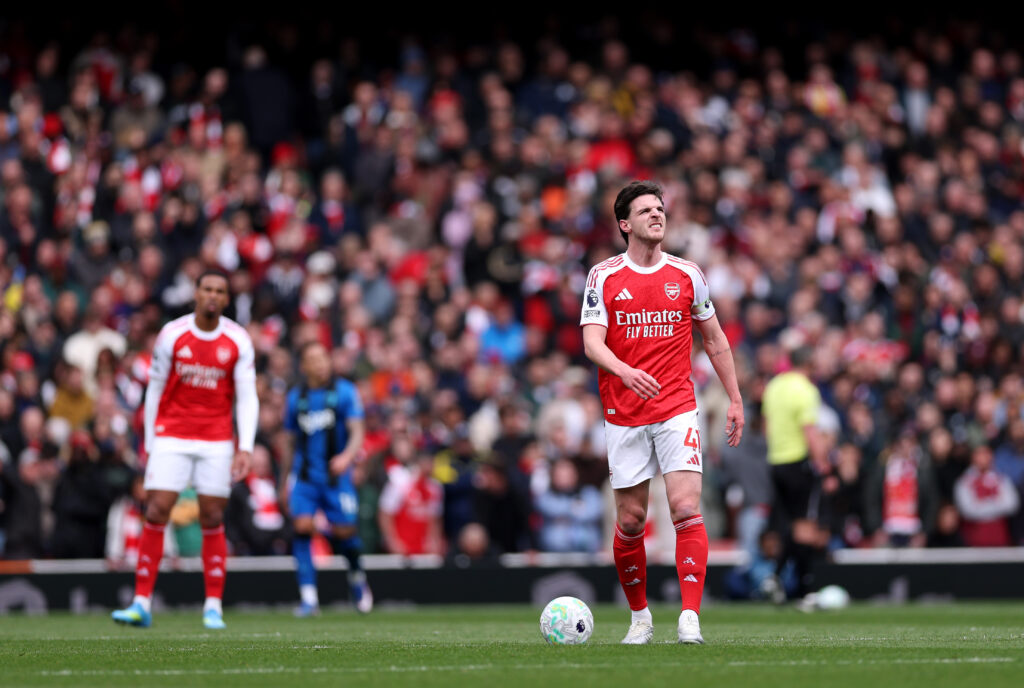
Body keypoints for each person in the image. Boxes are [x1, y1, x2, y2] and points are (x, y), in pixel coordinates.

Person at [580, 180, 744, 645]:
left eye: (660, 208)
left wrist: (734, 398)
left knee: (686, 507)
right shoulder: (604, 276)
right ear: (625, 224)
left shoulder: (687, 274)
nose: (658, 214)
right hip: (624, 411)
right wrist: (624, 370)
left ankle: (690, 616)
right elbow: (592, 342)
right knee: (630, 521)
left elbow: (713, 340)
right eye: (646, 210)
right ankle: (640, 617)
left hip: (676, 406)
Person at [112, 270, 258, 629]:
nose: (212, 295)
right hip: (172, 435)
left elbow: (247, 397)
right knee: (157, 508)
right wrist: (149, 441)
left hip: (216, 439)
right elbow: (155, 391)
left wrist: (247, 445)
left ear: (226, 299)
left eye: (219, 291)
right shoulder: (172, 335)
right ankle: (141, 602)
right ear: (196, 293)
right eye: (207, 288)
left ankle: (213, 605)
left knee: (211, 515)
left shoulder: (237, 340)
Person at [280, 341, 372, 616]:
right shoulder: (297, 398)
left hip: (335, 478)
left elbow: (357, 430)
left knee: (345, 534)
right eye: (314, 359)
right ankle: (309, 598)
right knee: (302, 527)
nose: (321, 364)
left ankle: (357, 578)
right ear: (304, 366)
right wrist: (283, 481)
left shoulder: (344, 391)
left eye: (324, 358)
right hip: (306, 477)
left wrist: (346, 457)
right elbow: (288, 441)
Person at [761, 346, 833, 600]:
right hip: (798, 462)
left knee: (789, 526)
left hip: (775, 462)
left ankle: (777, 577)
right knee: (804, 527)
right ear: (810, 365)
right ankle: (804, 588)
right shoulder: (806, 390)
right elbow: (810, 432)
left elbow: (767, 427)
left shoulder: (774, 387)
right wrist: (823, 463)